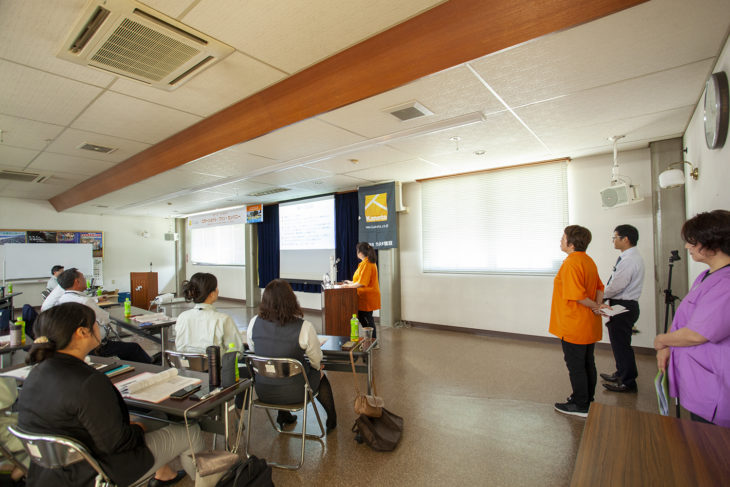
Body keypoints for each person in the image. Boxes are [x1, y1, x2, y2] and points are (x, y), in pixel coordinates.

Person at [17, 303, 206, 487]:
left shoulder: (35, 373)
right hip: (98, 470)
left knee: (157, 417)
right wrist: (138, 428)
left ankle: (164, 474)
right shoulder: (88, 382)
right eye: (95, 324)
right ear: (82, 332)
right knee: (191, 431)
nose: (98, 328)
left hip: (52, 471)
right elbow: (118, 443)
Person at [654, 210, 730, 427]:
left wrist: (662, 340)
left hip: (716, 380)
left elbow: (698, 333)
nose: (687, 247)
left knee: (712, 448)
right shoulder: (706, 276)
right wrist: (668, 343)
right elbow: (686, 317)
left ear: (713, 244)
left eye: (692, 242)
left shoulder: (725, 283)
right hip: (698, 374)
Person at [247, 279, 337, 433]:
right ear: (291, 300)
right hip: (296, 393)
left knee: (276, 367)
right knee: (319, 373)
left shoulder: (254, 322)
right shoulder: (304, 327)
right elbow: (316, 360)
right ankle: (331, 419)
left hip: (263, 391)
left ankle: (284, 416)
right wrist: (316, 367)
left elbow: (253, 349)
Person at [549, 225, 604, 418]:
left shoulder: (571, 263)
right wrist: (598, 305)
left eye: (563, 238)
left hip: (574, 324)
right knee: (588, 363)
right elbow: (599, 287)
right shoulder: (588, 261)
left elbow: (577, 296)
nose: (561, 241)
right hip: (588, 324)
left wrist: (594, 306)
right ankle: (587, 399)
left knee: (576, 366)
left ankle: (581, 405)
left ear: (571, 243)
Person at [55, 268, 153, 363]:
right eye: (84, 278)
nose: (86, 280)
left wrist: (96, 301)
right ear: (77, 281)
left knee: (126, 349)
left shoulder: (63, 299)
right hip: (95, 346)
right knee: (133, 348)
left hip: (76, 344)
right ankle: (152, 369)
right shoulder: (84, 301)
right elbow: (104, 319)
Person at [599, 224, 644, 393]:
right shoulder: (629, 257)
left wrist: (600, 297)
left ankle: (628, 381)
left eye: (615, 238)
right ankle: (621, 373)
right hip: (623, 305)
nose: (613, 241)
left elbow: (617, 285)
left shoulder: (630, 260)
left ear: (625, 239)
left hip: (624, 306)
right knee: (620, 343)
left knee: (622, 345)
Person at [175, 273, 244, 354]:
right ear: (212, 294)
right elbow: (237, 351)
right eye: (216, 288)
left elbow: (179, 347)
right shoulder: (222, 319)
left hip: (185, 365)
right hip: (216, 365)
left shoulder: (182, 317)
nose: (218, 290)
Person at [344, 242, 381, 340]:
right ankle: (370, 339)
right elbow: (360, 280)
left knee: (367, 319)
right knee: (365, 318)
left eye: (357, 250)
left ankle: (373, 341)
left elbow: (362, 283)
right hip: (364, 296)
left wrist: (348, 286)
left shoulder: (367, 264)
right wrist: (351, 283)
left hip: (367, 296)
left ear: (360, 252)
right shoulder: (364, 263)